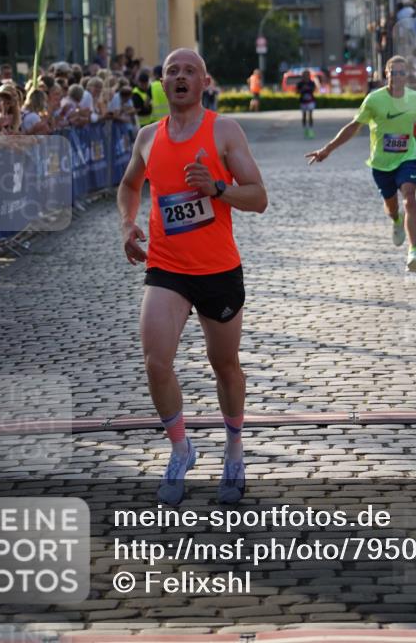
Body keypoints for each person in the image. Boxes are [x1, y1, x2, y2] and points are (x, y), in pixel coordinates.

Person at [117, 48, 267, 506]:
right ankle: (181, 448)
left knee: (224, 364)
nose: (180, 77)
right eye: (171, 72)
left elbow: (258, 197)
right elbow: (129, 186)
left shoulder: (223, 130)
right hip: (166, 266)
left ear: (204, 81)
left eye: (189, 71)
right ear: (163, 84)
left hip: (219, 268)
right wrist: (128, 224)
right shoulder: (147, 137)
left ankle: (235, 447)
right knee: (155, 361)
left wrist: (217, 188)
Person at [305, 54, 416, 273]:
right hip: (381, 163)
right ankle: (396, 219)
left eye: (402, 73)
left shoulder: (414, 98)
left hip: (407, 158)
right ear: (386, 74)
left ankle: (414, 252)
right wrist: (327, 149)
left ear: (407, 76)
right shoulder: (374, 99)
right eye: (394, 73)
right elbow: (354, 126)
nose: (398, 77)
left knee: (410, 198)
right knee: (392, 208)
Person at [296, 69, 317, 139]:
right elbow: (297, 92)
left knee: (310, 115)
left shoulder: (311, 82)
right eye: (304, 75)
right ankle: (305, 129)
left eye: (307, 75)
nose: (306, 76)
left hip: (311, 101)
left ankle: (311, 129)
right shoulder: (300, 83)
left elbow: (314, 89)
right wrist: (302, 89)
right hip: (303, 101)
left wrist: (309, 88)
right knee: (304, 115)